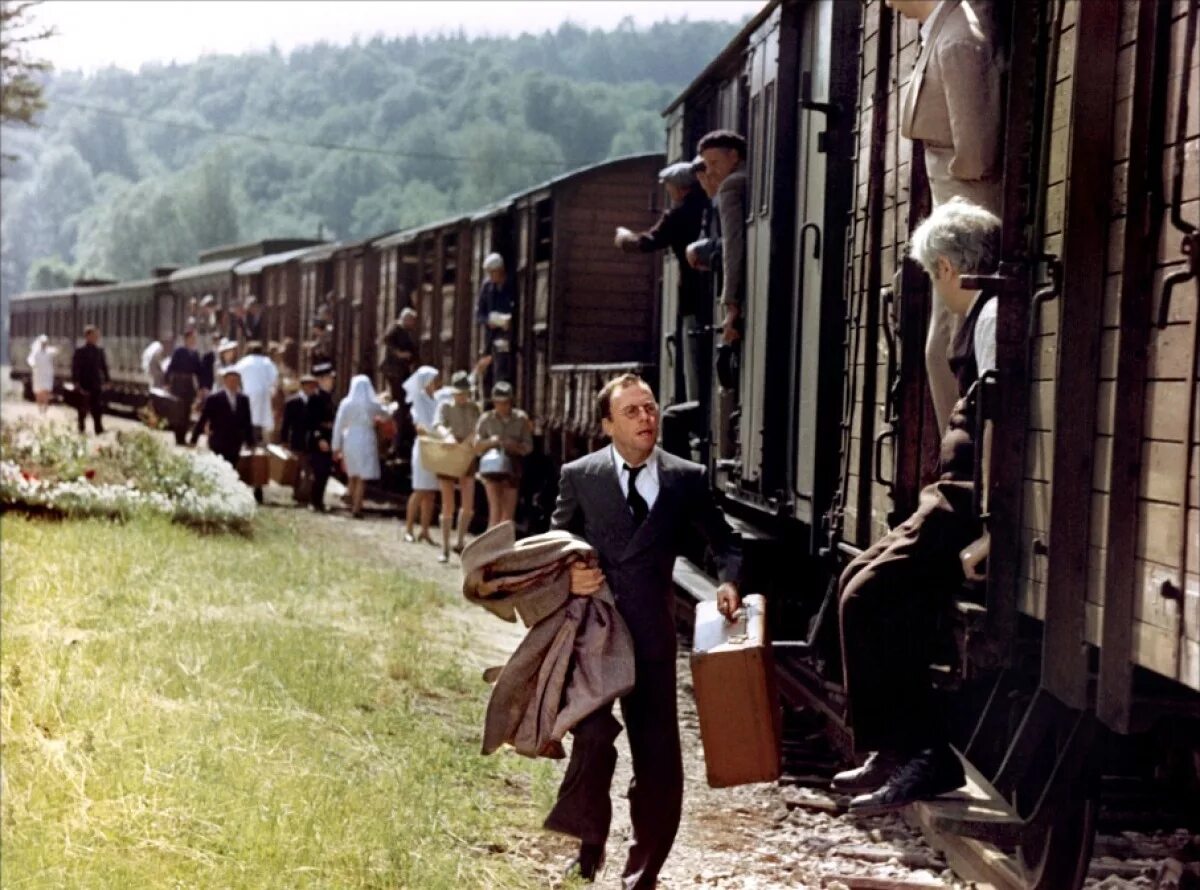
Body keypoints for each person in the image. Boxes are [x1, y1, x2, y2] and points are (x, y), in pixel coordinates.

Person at [833, 198, 999, 815]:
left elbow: (1004, 429)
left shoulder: (989, 319)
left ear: (950, 270)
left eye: (934, 274)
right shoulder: (985, 316)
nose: (937, 285)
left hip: (965, 503)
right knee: (853, 580)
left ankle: (924, 754)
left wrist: (990, 527)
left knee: (866, 594)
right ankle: (889, 747)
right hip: (952, 495)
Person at [546, 372, 743, 887]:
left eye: (650, 408)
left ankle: (644, 870)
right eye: (631, 412)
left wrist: (728, 581)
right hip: (597, 633)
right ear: (608, 424)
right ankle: (589, 849)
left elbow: (725, 540)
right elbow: (556, 541)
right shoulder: (580, 476)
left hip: (652, 636)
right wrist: (572, 571)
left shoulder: (684, 478)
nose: (645, 419)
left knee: (657, 758)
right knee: (592, 738)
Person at [890, 0, 1002, 433]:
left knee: (947, 349)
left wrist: (951, 184)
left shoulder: (956, 41)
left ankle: (962, 469)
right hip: (954, 213)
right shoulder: (946, 33)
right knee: (944, 348)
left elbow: (976, 154)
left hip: (964, 218)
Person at [615, 161, 709, 403]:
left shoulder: (679, 214)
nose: (669, 193)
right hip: (710, 291)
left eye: (669, 188)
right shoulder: (706, 206)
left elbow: (648, 242)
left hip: (692, 293)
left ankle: (694, 404)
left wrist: (625, 239)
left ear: (680, 188)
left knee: (692, 352)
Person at [697, 130, 748, 346]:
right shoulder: (749, 176)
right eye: (706, 165)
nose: (710, 172)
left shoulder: (731, 186)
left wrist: (730, 304)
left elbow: (732, 244)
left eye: (714, 162)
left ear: (734, 156)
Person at [433, 370, 482, 563]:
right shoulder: (445, 406)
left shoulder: (473, 408)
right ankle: (444, 548)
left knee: (468, 503)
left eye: (464, 393)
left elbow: (479, 428)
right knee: (448, 503)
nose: (461, 397)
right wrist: (447, 435)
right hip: (449, 452)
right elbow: (438, 424)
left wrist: (472, 439)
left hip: (467, 453)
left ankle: (460, 541)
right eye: (458, 393)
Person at [475, 380, 533, 529]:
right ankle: (490, 548)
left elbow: (528, 447)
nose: (502, 406)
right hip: (491, 468)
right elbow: (476, 446)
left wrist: (514, 446)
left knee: (507, 515)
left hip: (512, 468)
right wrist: (491, 442)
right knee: (494, 510)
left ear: (511, 402)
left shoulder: (521, 418)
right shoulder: (486, 419)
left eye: (505, 402)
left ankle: (504, 549)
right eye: (498, 403)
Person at [332, 374, 389, 519]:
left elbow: (338, 425)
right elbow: (386, 414)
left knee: (353, 472)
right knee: (363, 476)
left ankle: (349, 495)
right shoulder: (372, 404)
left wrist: (336, 445)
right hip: (367, 437)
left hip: (350, 437)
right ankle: (357, 507)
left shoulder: (346, 403)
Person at [234, 341, 279, 504]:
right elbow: (275, 381)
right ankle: (258, 485)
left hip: (244, 413)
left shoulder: (243, 363)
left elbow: (234, 378)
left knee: (243, 448)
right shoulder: (267, 363)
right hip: (261, 413)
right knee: (259, 450)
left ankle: (240, 482)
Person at [401, 365, 441, 543]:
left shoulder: (437, 400)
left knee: (431, 492)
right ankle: (409, 528)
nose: (436, 384)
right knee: (419, 489)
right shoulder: (418, 400)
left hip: (436, 446)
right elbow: (419, 424)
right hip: (424, 446)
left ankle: (425, 530)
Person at [190, 367, 254, 469]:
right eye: (231, 380)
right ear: (225, 381)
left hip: (235, 441)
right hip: (218, 439)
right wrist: (194, 438)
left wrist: (250, 441)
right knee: (217, 467)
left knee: (232, 467)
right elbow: (204, 418)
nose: (233, 383)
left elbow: (247, 421)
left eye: (236, 381)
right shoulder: (214, 398)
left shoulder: (243, 400)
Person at [475, 253, 515, 387]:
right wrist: (488, 321)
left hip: (507, 334)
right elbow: (479, 314)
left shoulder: (511, 284)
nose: (491, 277)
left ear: (500, 270)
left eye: (493, 273)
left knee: (502, 368)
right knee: (487, 369)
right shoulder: (487, 287)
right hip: (491, 336)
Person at [280, 374, 318, 504]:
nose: (310, 389)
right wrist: (284, 440)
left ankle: (306, 493)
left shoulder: (316, 401)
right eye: (308, 386)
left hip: (312, 440)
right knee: (297, 467)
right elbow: (286, 423)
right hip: (297, 438)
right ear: (302, 386)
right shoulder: (292, 402)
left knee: (309, 468)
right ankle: (296, 492)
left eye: (313, 386)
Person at [305, 362, 337, 512]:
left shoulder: (329, 397)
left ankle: (319, 500)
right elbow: (311, 421)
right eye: (329, 378)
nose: (332, 381)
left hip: (329, 437)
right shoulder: (315, 397)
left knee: (325, 471)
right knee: (318, 471)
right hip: (319, 439)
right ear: (322, 379)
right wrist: (319, 439)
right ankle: (314, 501)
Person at [71, 325, 109, 435]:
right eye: (93, 335)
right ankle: (81, 426)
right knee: (82, 407)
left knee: (97, 407)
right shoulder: (80, 351)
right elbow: (75, 368)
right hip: (84, 383)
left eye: (97, 336)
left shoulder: (99, 351)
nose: (96, 338)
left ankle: (98, 428)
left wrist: (107, 379)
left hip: (96, 383)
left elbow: (103, 366)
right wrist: (76, 382)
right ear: (87, 336)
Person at [379, 307, 420, 399]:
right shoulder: (395, 327)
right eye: (411, 320)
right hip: (393, 368)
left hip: (401, 368)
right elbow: (387, 340)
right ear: (406, 319)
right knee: (398, 393)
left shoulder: (407, 330)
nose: (413, 323)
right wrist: (399, 353)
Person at [28, 334, 58, 413]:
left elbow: (56, 352)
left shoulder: (49, 352)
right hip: (38, 375)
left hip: (47, 375)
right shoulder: (36, 353)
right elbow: (31, 361)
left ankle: (45, 408)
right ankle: (40, 408)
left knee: (46, 392)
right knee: (39, 393)